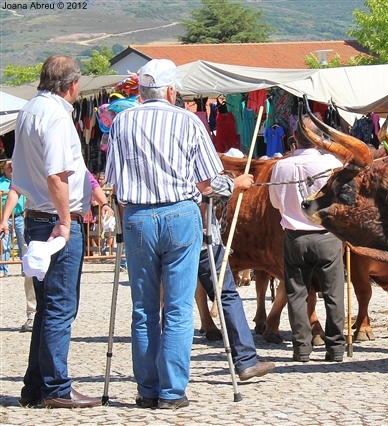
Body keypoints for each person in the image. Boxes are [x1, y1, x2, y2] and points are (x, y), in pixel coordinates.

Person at [106, 59, 223, 409]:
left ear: (140, 91)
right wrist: (232, 184)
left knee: (143, 309)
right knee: (176, 308)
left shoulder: (122, 121)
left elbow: (113, 178)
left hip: (138, 216)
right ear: (172, 91)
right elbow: (206, 182)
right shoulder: (189, 120)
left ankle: (147, 389)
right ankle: (172, 393)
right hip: (180, 215)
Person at [11, 55, 100, 409]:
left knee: (49, 306)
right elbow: (57, 175)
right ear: (73, 85)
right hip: (55, 220)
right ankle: (56, 386)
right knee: (61, 306)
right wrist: (65, 220)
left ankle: (36, 385)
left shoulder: (30, 109)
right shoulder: (57, 116)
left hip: (36, 215)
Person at [269, 114, 346, 363]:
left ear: (294, 138)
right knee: (333, 293)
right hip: (326, 235)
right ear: (320, 139)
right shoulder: (331, 163)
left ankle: (301, 347)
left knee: (297, 293)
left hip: (295, 237)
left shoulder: (281, 166)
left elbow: (274, 202)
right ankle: (335, 348)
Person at [197, 171, 275, 379]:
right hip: (192, 226)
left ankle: (150, 379)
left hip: (142, 224)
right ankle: (245, 360)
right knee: (226, 295)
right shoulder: (190, 137)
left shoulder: (122, 137)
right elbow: (206, 185)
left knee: (151, 304)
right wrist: (235, 183)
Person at [0, 170, 36, 331]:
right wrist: (4, 218)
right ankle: (33, 313)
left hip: (60, 221)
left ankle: (57, 316)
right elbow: (15, 189)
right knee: (31, 271)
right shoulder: (28, 166)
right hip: (35, 221)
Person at [1, 160, 25, 278]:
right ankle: (3, 269)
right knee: (5, 244)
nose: (11, 169)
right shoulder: (0, 182)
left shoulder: (21, 179)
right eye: (8, 167)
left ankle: (25, 269)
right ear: (4, 169)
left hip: (19, 215)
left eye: (13, 166)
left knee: (23, 243)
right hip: (5, 218)